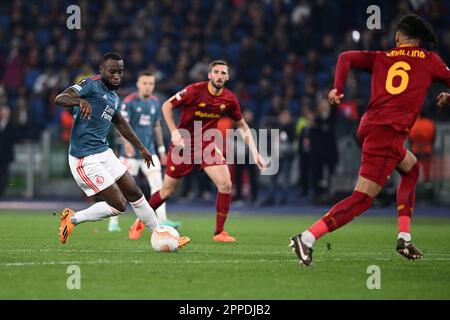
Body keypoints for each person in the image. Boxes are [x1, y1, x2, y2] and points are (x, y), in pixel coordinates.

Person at [290, 14, 450, 266]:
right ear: (419, 39)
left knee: (411, 170)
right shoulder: (431, 60)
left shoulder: (383, 57)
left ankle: (404, 238)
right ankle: (307, 238)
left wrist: (337, 89)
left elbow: (346, 57)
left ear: (398, 37)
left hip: (376, 128)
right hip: (386, 133)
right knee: (362, 199)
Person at [54, 52, 190, 248]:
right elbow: (61, 98)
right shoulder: (90, 84)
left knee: (135, 192)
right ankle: (73, 219)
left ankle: (159, 233)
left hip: (104, 152)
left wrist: (141, 148)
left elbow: (120, 122)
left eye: (120, 72)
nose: (117, 76)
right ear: (101, 71)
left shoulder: (114, 97)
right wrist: (79, 101)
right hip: (84, 158)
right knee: (119, 205)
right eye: (112, 72)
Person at [129, 60, 267, 242]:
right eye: (216, 72)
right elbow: (167, 106)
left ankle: (219, 233)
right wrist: (174, 132)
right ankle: (140, 221)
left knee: (226, 184)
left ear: (228, 77)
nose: (219, 75)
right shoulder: (194, 90)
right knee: (167, 191)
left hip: (207, 145)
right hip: (183, 144)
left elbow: (242, 125)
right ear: (210, 75)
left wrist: (255, 152)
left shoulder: (229, 99)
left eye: (223, 73)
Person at [107, 71, 181, 234]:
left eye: (151, 84)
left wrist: (161, 149)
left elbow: (156, 127)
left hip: (150, 152)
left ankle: (163, 220)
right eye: (145, 83)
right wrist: (126, 144)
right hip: (130, 155)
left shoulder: (155, 103)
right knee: (121, 188)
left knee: (158, 186)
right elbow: (120, 125)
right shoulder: (130, 101)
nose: (148, 87)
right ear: (139, 84)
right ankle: (113, 221)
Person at [0, 105, 16, 197]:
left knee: (4, 173)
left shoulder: (11, 125)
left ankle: (3, 191)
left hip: (6, 155)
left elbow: (14, 138)